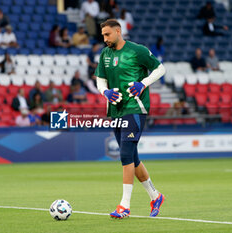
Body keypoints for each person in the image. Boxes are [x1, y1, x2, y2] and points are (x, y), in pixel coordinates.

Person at [95, 19, 166, 219]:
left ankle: (124, 206)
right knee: (132, 157)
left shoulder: (138, 50)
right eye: (103, 35)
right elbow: (100, 79)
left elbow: (160, 69)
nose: (105, 38)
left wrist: (143, 84)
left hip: (136, 107)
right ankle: (155, 195)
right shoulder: (105, 54)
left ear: (118, 31)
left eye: (107, 34)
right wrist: (105, 92)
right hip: (116, 110)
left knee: (126, 153)